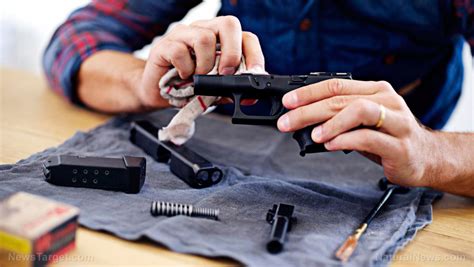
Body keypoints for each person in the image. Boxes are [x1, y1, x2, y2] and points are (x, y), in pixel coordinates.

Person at [43, 1, 474, 197]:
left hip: (386, 182)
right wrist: (146, 84)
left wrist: (433, 154)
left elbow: (435, 156)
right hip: (221, 148)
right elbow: (74, 42)